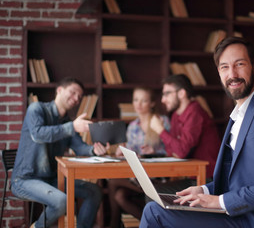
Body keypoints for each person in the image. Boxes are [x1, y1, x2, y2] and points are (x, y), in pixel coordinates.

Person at [140, 37, 254, 228]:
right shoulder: (236, 116)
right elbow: (238, 181)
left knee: (154, 213)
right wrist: (203, 190)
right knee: (156, 209)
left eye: (240, 64)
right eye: (224, 67)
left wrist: (219, 202)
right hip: (239, 214)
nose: (232, 74)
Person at [11, 77, 109, 228]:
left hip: (51, 179)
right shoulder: (36, 109)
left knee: (94, 191)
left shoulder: (67, 122)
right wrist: (72, 127)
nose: (76, 98)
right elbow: (38, 134)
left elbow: (80, 148)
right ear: (59, 90)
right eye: (73, 92)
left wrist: (94, 150)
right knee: (62, 201)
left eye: (79, 96)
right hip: (25, 180)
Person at [107, 87, 170, 228]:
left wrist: (155, 150)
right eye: (136, 100)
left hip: (157, 176)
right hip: (137, 175)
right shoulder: (132, 126)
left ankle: (113, 224)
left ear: (152, 103)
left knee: (112, 183)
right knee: (120, 196)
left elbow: (173, 150)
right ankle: (154, 223)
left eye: (144, 100)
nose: (138, 104)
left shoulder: (162, 121)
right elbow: (131, 153)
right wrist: (122, 152)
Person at [149, 74, 221, 188]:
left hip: (206, 180)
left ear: (182, 93)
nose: (163, 100)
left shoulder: (195, 112)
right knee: (152, 189)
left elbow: (181, 151)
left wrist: (160, 130)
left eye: (166, 94)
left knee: (155, 191)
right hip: (191, 176)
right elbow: (172, 152)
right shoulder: (175, 116)